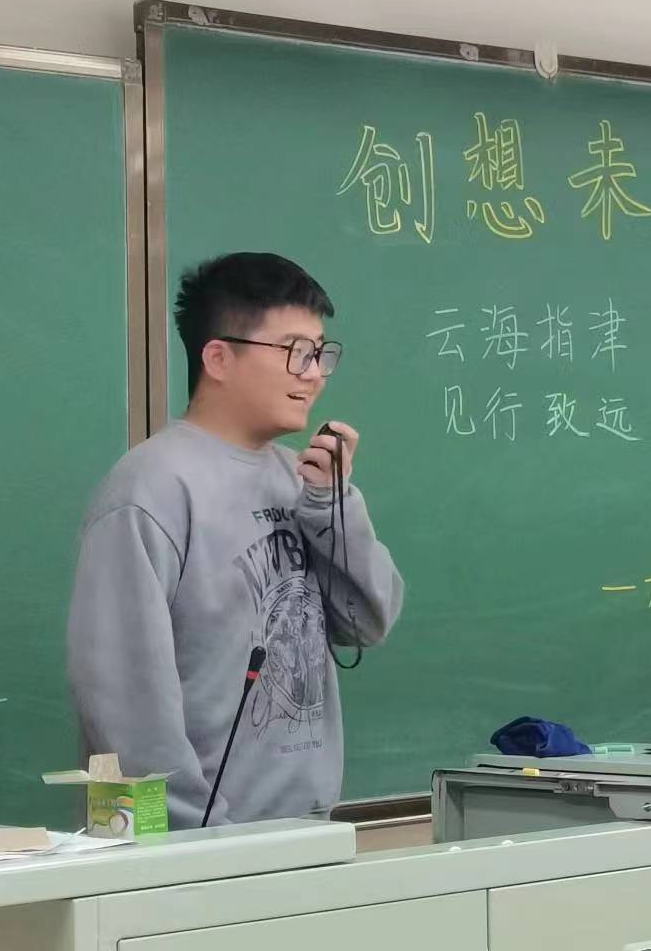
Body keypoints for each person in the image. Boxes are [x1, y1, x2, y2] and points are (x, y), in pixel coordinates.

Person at [68, 252, 404, 827]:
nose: (314, 373)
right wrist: (199, 842)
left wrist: (333, 504)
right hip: (201, 847)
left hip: (305, 833)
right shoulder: (150, 489)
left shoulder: (300, 478)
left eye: (320, 353)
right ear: (219, 358)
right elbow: (122, 703)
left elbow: (367, 623)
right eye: (295, 351)